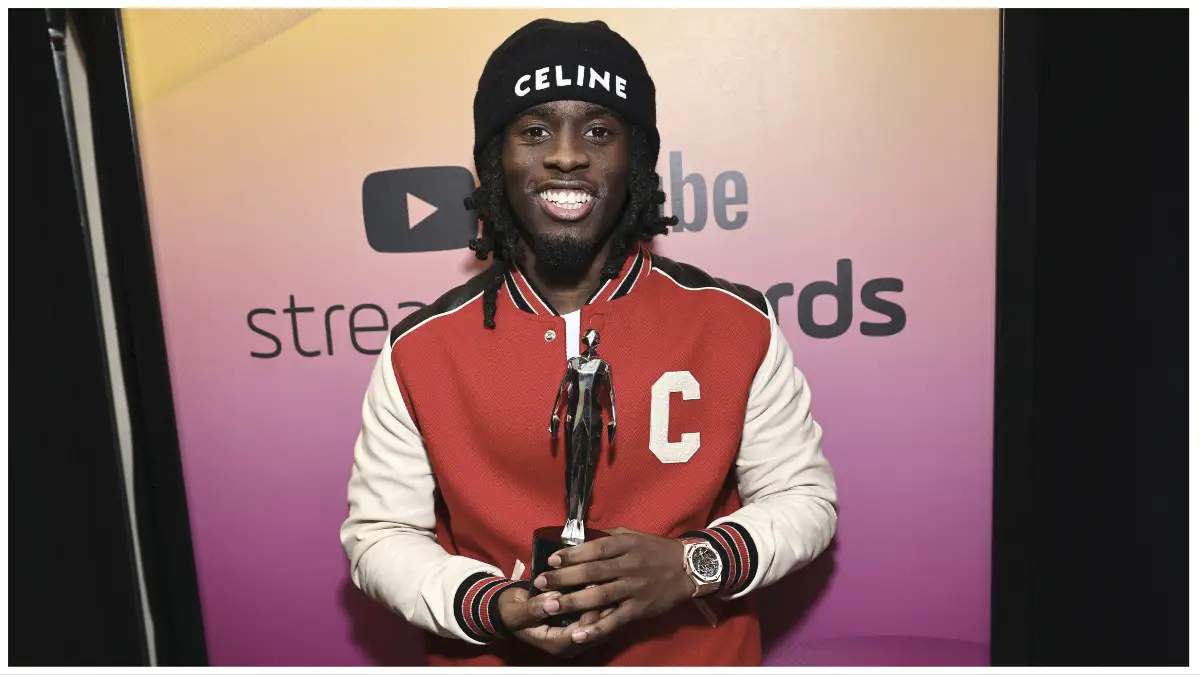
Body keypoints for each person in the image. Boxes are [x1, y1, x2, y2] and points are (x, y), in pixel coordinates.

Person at [340, 18, 837, 666]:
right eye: (534, 131)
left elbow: (804, 499)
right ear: (495, 161)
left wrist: (692, 565)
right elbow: (380, 535)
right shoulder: (420, 350)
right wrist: (493, 604)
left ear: (637, 159)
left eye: (599, 131)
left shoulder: (735, 323)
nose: (567, 155)